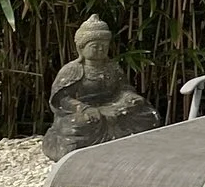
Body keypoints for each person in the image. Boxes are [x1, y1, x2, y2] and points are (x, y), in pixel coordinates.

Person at [42, 13, 161, 160]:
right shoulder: (72, 69)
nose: (100, 50)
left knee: (149, 115)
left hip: (113, 106)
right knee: (76, 126)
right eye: (95, 46)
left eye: (104, 46)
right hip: (84, 111)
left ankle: (127, 145)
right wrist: (84, 108)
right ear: (81, 48)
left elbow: (123, 88)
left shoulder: (113, 66)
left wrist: (130, 98)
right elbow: (61, 99)